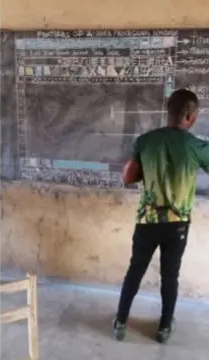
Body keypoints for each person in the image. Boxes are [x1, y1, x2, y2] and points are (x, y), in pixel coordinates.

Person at [113, 89, 209, 344]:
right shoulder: (197, 146)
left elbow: (128, 177)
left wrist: (152, 172)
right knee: (170, 275)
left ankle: (120, 322)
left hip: (147, 222)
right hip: (178, 225)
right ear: (189, 116)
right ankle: (165, 328)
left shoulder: (145, 141)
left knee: (135, 271)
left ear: (169, 113)